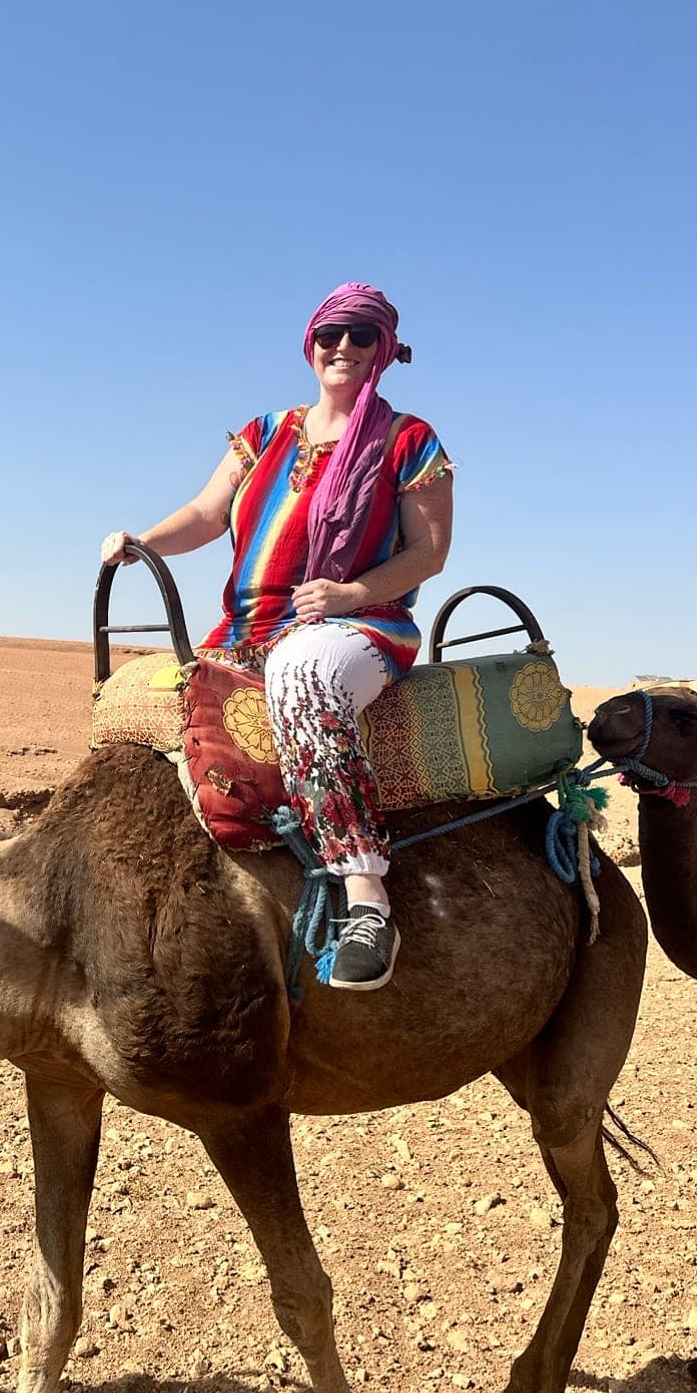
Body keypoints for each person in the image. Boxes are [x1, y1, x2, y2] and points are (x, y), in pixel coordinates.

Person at [101, 282, 453, 991]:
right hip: (243, 630)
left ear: (383, 348)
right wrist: (144, 539)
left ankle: (366, 897)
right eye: (331, 334)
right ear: (311, 344)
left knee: (303, 673)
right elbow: (207, 512)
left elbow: (430, 552)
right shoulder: (264, 432)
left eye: (360, 335)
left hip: (358, 625)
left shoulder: (409, 439)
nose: (343, 348)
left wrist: (351, 593)